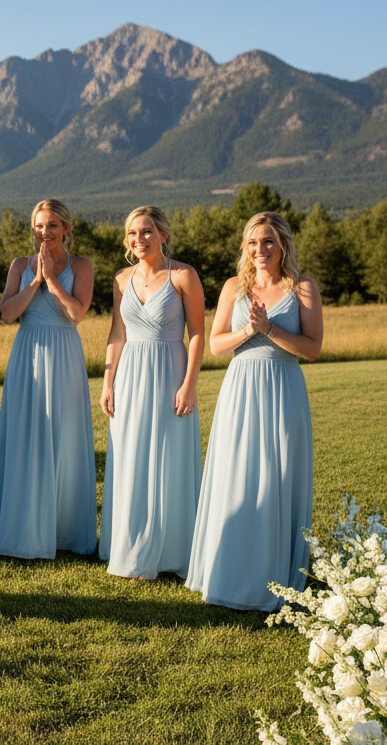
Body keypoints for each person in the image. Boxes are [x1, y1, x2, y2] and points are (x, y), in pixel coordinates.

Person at [187, 212, 323, 611]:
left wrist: (270, 330)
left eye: (267, 242)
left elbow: (312, 349)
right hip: (240, 388)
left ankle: (273, 579)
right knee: (237, 477)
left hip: (284, 389)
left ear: (282, 245)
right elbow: (215, 345)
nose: (259, 250)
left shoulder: (302, 288)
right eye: (252, 243)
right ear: (245, 248)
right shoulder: (234, 287)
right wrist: (249, 330)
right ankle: (229, 571)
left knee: (277, 478)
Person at [0, 199, 97, 559]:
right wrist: (35, 281)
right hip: (26, 352)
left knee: (62, 435)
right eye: (38, 225)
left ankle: (61, 529)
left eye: (51, 225)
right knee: (25, 434)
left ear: (66, 228)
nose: (44, 232)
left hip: (63, 353)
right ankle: (21, 525)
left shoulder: (81, 266)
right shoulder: (20, 265)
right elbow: (7, 314)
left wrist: (53, 280)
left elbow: (76, 313)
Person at [98, 206, 204, 580]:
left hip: (169, 373)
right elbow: (117, 333)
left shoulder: (183, 276)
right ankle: (129, 545)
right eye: (132, 233)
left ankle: (169, 551)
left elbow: (197, 335)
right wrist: (108, 382)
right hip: (129, 375)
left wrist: (189, 384)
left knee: (166, 456)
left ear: (163, 235)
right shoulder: (122, 278)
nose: (139, 239)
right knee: (131, 456)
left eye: (146, 232)